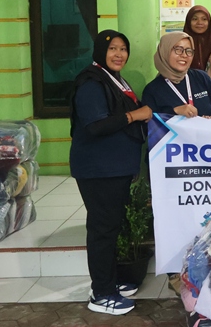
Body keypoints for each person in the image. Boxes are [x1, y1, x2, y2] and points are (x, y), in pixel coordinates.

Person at [69, 30, 152, 316]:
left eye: (123, 49)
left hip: (113, 167)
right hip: (98, 169)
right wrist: (135, 115)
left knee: (110, 227)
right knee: (102, 230)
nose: (119, 54)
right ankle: (102, 293)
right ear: (100, 51)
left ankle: (109, 282)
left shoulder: (113, 79)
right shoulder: (91, 82)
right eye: (113, 48)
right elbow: (96, 125)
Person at [142, 32, 211, 118]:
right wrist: (174, 111)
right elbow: (153, 122)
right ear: (165, 51)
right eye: (178, 49)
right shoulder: (152, 90)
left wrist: (210, 121)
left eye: (189, 51)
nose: (184, 55)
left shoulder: (201, 77)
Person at [182, 5, 211, 71]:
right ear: (188, 22)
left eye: (204, 19)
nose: (199, 22)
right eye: (195, 19)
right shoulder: (180, 47)